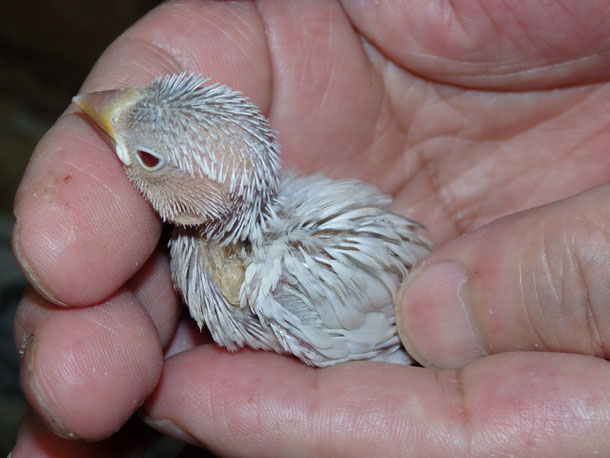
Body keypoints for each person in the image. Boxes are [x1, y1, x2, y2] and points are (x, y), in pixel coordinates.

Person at [10, 1, 610, 455]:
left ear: (205, 199)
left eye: (146, 161)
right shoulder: (219, 246)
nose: (102, 107)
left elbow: (401, 340)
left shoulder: (295, 288)